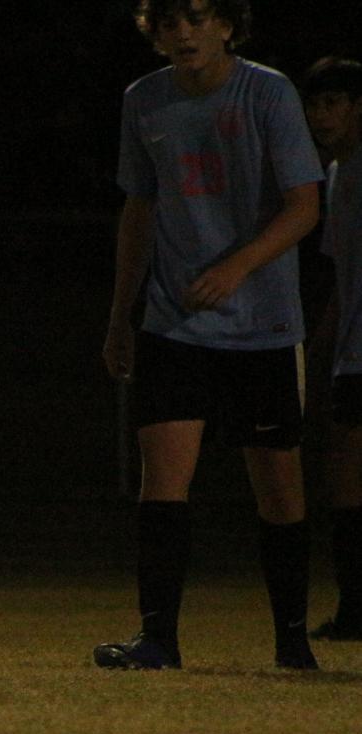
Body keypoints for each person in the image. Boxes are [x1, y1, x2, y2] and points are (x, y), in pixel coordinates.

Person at [96, 0, 325, 670]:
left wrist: (236, 267)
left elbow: (303, 206)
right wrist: (120, 315)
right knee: (161, 479)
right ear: (153, 33)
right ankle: (158, 639)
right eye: (167, 21)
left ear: (226, 25)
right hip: (173, 320)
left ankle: (291, 641)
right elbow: (138, 208)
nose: (182, 31)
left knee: (278, 486)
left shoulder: (267, 91)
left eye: (197, 16)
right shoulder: (143, 99)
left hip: (262, 324)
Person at [302, 57, 362, 640]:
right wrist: (320, 354)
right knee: (344, 478)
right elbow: (342, 281)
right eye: (314, 105)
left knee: (348, 475)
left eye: (333, 103)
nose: (321, 116)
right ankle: (355, 606)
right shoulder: (339, 175)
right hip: (352, 355)